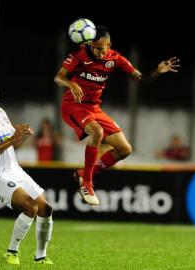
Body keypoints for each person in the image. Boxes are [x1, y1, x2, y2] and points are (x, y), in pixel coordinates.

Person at [54, 25, 180, 205]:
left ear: (109, 45)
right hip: (73, 105)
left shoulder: (116, 59)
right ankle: (87, 184)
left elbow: (141, 79)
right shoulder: (79, 55)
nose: (96, 52)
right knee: (96, 132)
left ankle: (84, 173)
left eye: (100, 48)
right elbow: (58, 77)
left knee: (125, 149)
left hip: (94, 108)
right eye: (94, 47)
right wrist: (71, 85)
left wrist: (157, 72)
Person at [0, 78, 54, 265]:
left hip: (15, 170)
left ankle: (41, 257)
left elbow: (12, 144)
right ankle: (11, 251)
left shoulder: (0, 112)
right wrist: (14, 137)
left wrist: (21, 136)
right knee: (29, 207)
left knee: (45, 209)